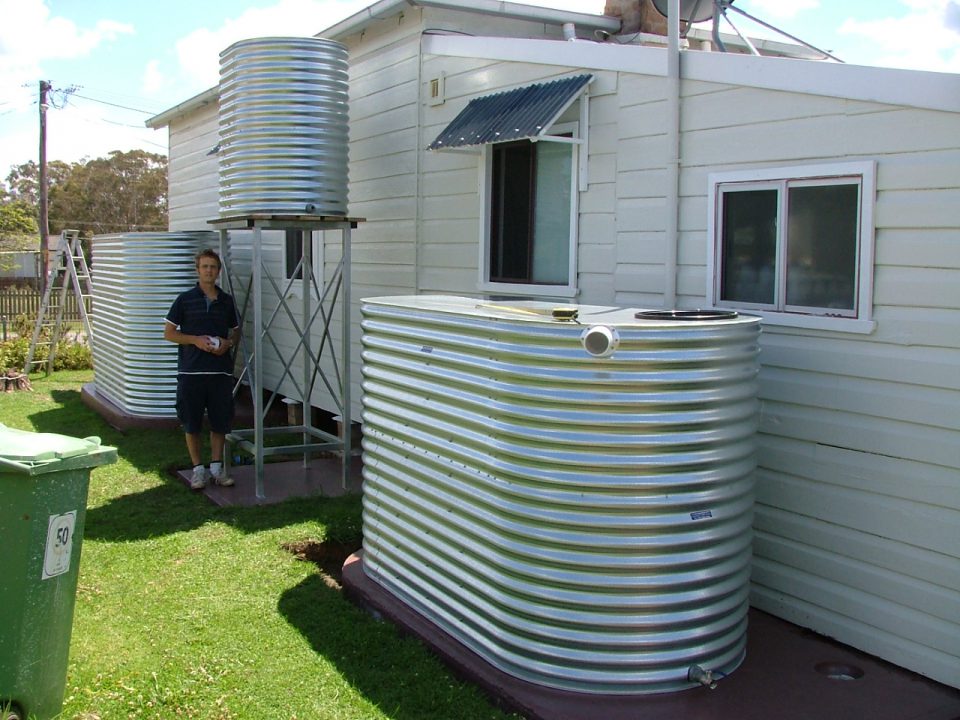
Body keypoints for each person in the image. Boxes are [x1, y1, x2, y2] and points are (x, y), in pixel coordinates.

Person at [164, 248, 240, 490]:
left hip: (220, 372)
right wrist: (195, 340)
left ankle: (216, 468)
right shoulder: (184, 299)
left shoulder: (226, 301)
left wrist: (227, 343)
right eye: (205, 266)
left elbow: (236, 331)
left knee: (220, 422)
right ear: (197, 270)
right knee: (191, 422)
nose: (209, 271)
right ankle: (198, 470)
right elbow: (169, 333)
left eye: (213, 267)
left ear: (218, 271)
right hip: (191, 372)